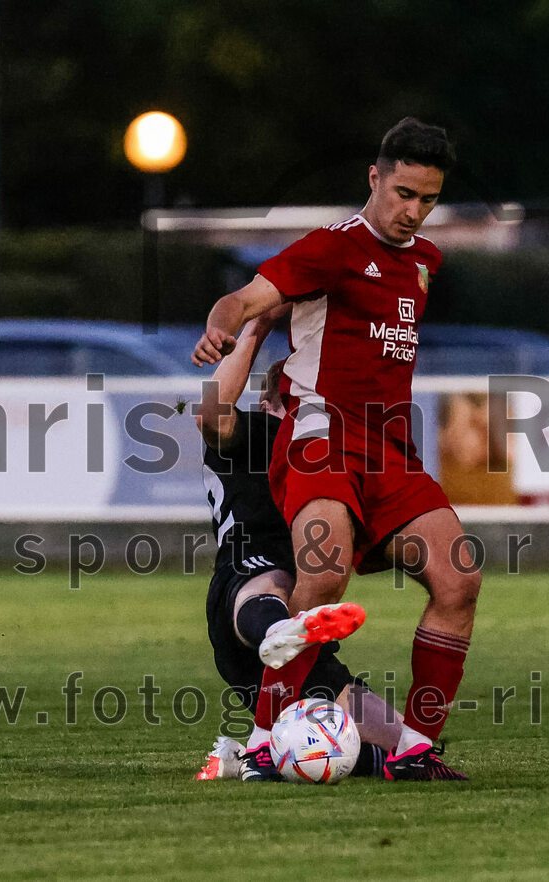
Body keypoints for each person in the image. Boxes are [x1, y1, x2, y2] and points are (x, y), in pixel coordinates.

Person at [193, 118, 481, 781]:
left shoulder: (424, 263)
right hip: (320, 437)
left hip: (389, 449)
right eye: (403, 193)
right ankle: (266, 742)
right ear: (374, 179)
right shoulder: (330, 248)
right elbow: (246, 299)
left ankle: (414, 752)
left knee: (458, 579)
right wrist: (221, 329)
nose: (414, 211)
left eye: (428, 199)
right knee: (322, 578)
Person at [193, 309, 403, 782]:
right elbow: (210, 416)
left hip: (302, 634)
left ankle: (249, 756)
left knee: (405, 751)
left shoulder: (336, 456)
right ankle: (277, 631)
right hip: (244, 589)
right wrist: (257, 326)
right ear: (274, 402)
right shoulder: (259, 433)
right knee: (276, 581)